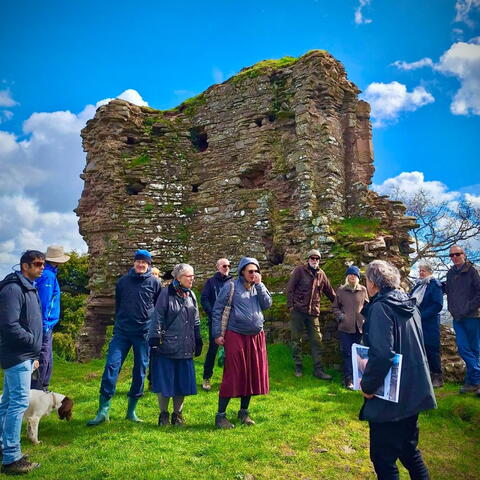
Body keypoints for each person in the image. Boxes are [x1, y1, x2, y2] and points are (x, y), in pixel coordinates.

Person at [360, 260, 436, 480]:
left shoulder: (381, 307)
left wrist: (368, 386)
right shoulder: (410, 304)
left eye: (367, 280)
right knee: (409, 451)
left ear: (373, 283)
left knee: (383, 459)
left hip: (390, 397)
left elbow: (382, 354)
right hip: (413, 391)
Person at [87, 249, 161, 426]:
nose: (141, 264)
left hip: (143, 333)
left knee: (140, 370)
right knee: (111, 367)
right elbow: (118, 305)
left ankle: (131, 411)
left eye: (144, 262)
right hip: (122, 332)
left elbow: (158, 308)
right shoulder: (123, 282)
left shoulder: (155, 283)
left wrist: (155, 330)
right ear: (134, 263)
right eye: (138, 261)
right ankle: (103, 411)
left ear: (149, 265)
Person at [212, 257, 272, 429]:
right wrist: (217, 333)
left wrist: (260, 286)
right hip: (235, 335)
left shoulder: (258, 287)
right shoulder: (231, 287)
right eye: (250, 271)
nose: (254, 274)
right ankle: (220, 416)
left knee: (251, 375)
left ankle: (243, 412)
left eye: (256, 271)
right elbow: (217, 310)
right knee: (233, 375)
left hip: (256, 337)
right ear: (242, 272)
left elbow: (267, 304)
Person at [0, 250, 45, 475]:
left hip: (25, 355)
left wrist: (35, 351)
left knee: (8, 403)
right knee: (18, 404)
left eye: (43, 264)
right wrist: (31, 342)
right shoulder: (13, 289)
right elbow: (9, 325)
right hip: (18, 354)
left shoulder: (28, 287)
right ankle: (11, 457)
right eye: (37, 264)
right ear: (25, 266)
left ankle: (2, 446)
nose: (41, 267)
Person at [148, 263, 202, 426]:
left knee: (182, 382)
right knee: (166, 381)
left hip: (186, 346)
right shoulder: (166, 294)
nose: (192, 279)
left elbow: (196, 318)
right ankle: (163, 414)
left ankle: (177, 415)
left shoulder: (192, 295)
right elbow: (158, 316)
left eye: (193, 276)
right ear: (178, 278)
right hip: (167, 346)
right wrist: (155, 337)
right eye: (189, 276)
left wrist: (198, 338)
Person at [286, 249, 336, 379]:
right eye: (312, 258)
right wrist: (291, 306)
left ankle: (318, 370)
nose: (315, 261)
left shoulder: (322, 274)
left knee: (317, 340)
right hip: (298, 311)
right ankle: (298, 366)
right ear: (308, 259)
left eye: (317, 259)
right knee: (296, 339)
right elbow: (290, 289)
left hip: (313, 312)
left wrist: (340, 306)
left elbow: (330, 292)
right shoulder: (299, 271)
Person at [31, 245, 70, 392]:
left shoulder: (48, 273)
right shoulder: (48, 275)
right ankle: (39, 390)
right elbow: (45, 301)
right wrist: (44, 324)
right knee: (43, 358)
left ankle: (41, 389)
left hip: (45, 323)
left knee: (47, 357)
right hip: (44, 324)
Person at [444, 245, 480, 395]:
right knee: (463, 348)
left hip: (473, 316)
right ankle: (476, 380)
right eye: (451, 255)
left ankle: (473, 382)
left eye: (457, 254)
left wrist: (467, 308)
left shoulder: (473, 270)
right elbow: (449, 291)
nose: (454, 257)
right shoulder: (450, 273)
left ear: (464, 254)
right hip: (457, 317)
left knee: (475, 349)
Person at [332, 265, 368, 390]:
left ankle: (360, 379)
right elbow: (335, 307)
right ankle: (348, 379)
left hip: (360, 327)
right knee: (347, 353)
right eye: (350, 274)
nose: (352, 277)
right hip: (345, 328)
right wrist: (341, 316)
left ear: (358, 277)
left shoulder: (363, 290)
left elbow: (368, 305)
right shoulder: (341, 290)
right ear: (347, 277)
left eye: (354, 275)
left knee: (359, 354)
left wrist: (366, 319)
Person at [409, 261, 444, 388]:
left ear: (430, 272)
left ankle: (437, 377)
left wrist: (421, 316)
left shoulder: (435, 284)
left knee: (431, 349)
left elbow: (437, 305)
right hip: (415, 322)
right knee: (418, 348)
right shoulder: (417, 286)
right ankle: (423, 377)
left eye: (423, 270)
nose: (420, 273)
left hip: (429, 323)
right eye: (419, 271)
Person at [200, 258, 233, 391]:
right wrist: (212, 313)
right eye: (224, 266)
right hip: (216, 321)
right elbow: (204, 298)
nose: (227, 268)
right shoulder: (211, 282)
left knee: (231, 351)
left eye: (229, 266)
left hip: (231, 321)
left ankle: (229, 379)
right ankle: (207, 378)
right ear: (218, 267)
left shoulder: (233, 282)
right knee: (213, 350)